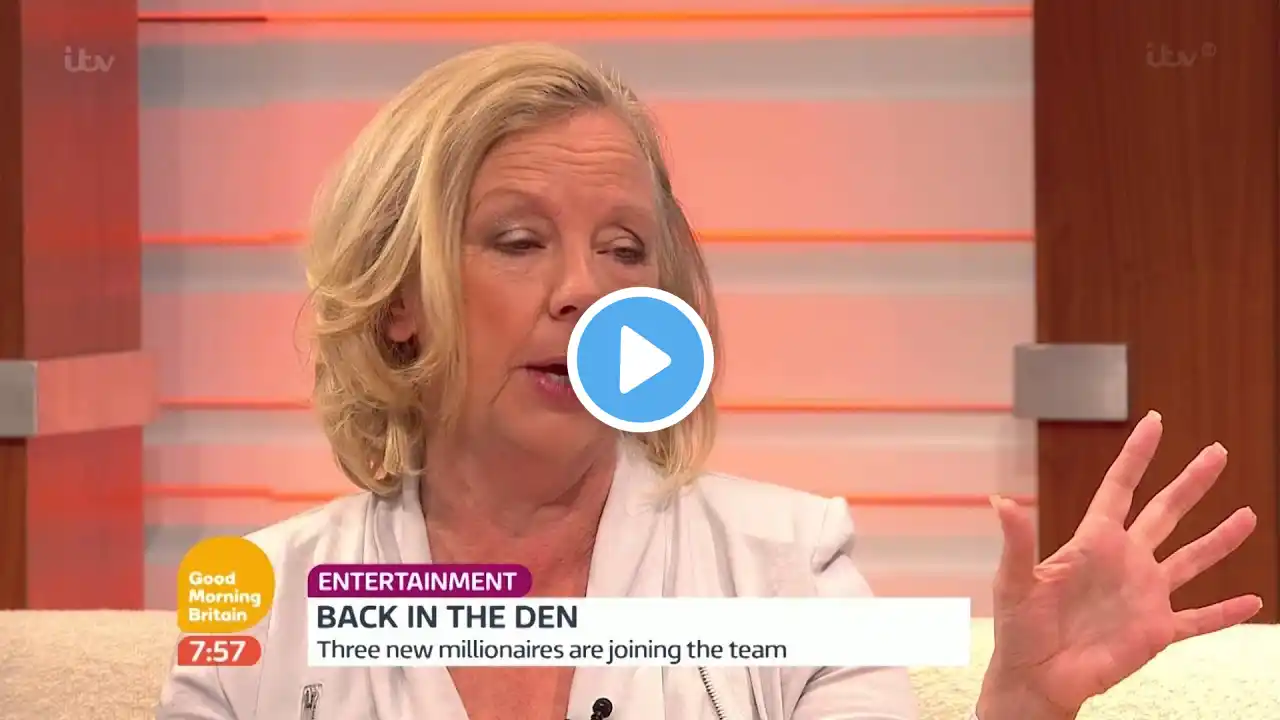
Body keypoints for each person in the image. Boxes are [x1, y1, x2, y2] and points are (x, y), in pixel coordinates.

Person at [156, 42, 1261, 720]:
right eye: (517, 240)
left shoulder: (789, 565)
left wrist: (1016, 710)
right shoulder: (257, 598)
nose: (586, 293)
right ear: (400, 297)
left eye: (625, 250)